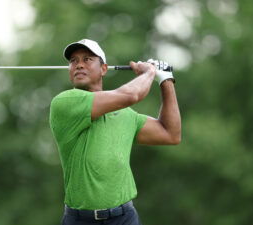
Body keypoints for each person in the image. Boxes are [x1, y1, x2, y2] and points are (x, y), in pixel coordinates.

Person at [49, 39, 181, 225]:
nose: (78, 65)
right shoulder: (64, 103)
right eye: (73, 61)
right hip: (80, 220)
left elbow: (171, 134)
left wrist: (166, 79)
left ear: (104, 69)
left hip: (125, 218)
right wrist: (151, 72)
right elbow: (131, 95)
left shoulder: (126, 116)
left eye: (87, 59)